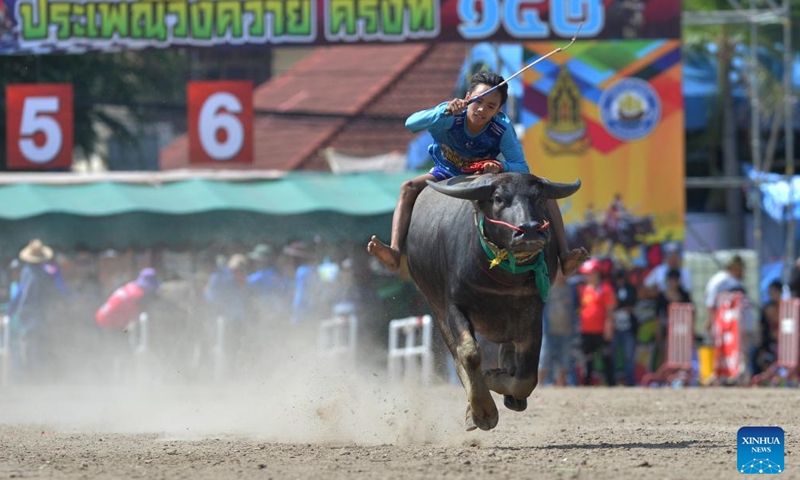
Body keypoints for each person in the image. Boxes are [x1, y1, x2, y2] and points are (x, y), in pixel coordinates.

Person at [367, 70, 587, 276]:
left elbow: (521, 166)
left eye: (491, 106)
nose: (482, 110)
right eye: (478, 101)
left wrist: (500, 167)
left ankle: (565, 255)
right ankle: (395, 252)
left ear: (498, 110)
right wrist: (441, 111)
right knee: (408, 187)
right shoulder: (450, 113)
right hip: (445, 172)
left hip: (482, 178)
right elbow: (411, 124)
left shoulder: (502, 128)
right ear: (468, 96)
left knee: (541, 187)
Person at [8, 239, 67, 382]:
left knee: (30, 344)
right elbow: (61, 289)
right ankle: (42, 374)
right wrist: (72, 299)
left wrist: (11, 311)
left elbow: (19, 294)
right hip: (45, 314)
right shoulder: (51, 271)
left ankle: (31, 375)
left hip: (27, 315)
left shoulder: (26, 271)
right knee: (44, 344)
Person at [577, 259, 616, 386]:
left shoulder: (606, 288)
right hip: (586, 331)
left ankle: (611, 384)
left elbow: (610, 310)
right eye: (586, 274)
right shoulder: (584, 289)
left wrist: (608, 327)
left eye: (590, 273)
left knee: (606, 358)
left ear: (597, 273)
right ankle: (587, 385)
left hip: (601, 330)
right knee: (588, 359)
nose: (587, 276)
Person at [540, 270, 576, 386]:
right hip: (549, 330)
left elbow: (576, 308)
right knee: (545, 357)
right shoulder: (548, 287)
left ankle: (561, 384)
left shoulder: (572, 288)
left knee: (564, 359)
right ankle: (540, 384)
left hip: (567, 329)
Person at [95, 268, 161, 330]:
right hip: (108, 321)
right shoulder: (137, 296)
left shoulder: (132, 285)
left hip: (102, 315)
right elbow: (138, 317)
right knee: (128, 332)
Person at [610, 268, 638, 386]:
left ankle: (630, 382)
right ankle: (614, 381)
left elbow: (633, 306)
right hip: (615, 328)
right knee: (613, 356)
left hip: (628, 328)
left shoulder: (631, 289)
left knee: (629, 357)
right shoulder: (612, 289)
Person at [753, 280, 782, 376]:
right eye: (770, 292)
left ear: (780, 292)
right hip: (769, 343)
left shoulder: (787, 307)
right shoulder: (766, 307)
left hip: (783, 343)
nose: (771, 294)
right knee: (759, 356)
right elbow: (761, 328)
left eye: (773, 292)